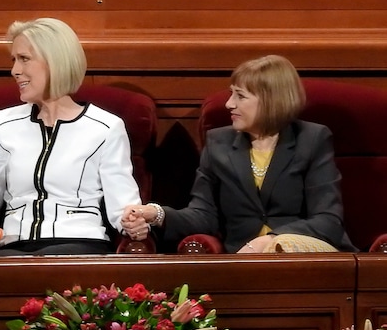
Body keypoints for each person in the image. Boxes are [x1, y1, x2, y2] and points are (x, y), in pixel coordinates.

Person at [122, 54, 356, 253]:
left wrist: (271, 240)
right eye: (231, 93)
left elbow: (327, 220)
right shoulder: (219, 143)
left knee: (280, 248)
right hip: (242, 259)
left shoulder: (312, 139)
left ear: (271, 101)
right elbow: (204, 215)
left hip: (304, 256)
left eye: (240, 96)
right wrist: (157, 213)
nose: (229, 104)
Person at [0, 17, 142, 256]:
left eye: (24, 59)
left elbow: (123, 208)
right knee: (2, 266)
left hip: (79, 244)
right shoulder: (5, 123)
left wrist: (133, 220)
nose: (15, 71)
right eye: (14, 60)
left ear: (55, 62)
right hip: (14, 246)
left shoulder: (105, 127)